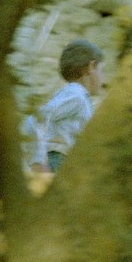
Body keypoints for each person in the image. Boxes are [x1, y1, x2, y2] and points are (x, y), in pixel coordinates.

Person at [26, 39, 105, 173]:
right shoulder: (77, 95)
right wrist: (39, 161)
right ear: (91, 67)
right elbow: (35, 121)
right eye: (102, 70)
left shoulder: (79, 97)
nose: (103, 78)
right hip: (57, 162)